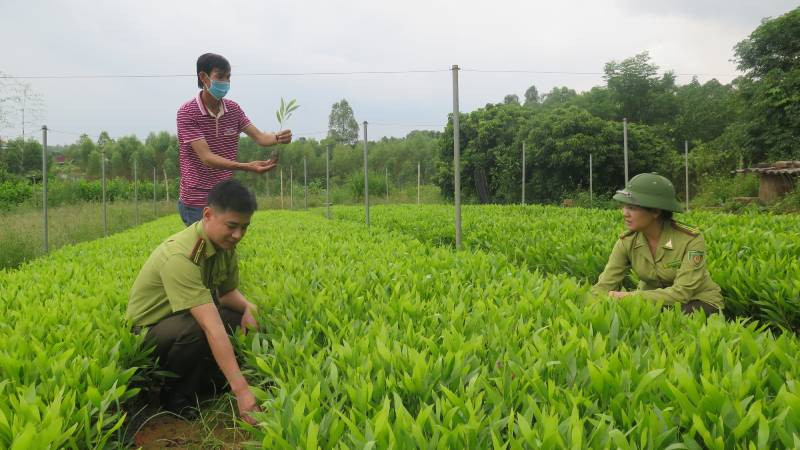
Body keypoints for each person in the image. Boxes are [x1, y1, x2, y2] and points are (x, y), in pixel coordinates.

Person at [127, 179, 260, 422]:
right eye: (232, 225)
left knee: (232, 315)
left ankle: (206, 378)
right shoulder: (181, 255)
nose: (238, 235)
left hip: (181, 320)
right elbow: (210, 325)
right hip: (148, 332)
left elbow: (227, 294)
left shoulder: (224, 245)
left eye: (245, 227)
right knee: (202, 326)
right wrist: (241, 390)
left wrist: (249, 308)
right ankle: (173, 395)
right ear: (208, 215)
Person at [177, 52, 292, 226]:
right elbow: (207, 158)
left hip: (224, 196)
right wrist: (246, 167)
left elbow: (260, 137)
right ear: (203, 77)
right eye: (220, 77)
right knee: (204, 249)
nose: (225, 82)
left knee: (226, 247)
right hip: (197, 199)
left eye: (228, 77)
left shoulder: (233, 110)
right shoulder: (188, 112)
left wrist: (278, 137)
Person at [592, 173, 724, 315]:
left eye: (632, 207)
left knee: (674, 318)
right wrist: (588, 308)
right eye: (624, 206)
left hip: (697, 300)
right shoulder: (627, 242)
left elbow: (682, 293)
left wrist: (629, 297)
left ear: (655, 211)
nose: (625, 213)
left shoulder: (690, 240)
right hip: (653, 302)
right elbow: (604, 286)